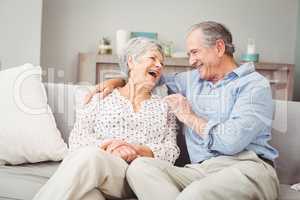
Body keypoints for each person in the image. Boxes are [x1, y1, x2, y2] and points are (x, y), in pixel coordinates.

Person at [87, 21, 280, 200]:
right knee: (140, 167)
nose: (191, 60)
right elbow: (148, 78)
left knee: (196, 194)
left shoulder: (254, 85)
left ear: (219, 48)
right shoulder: (191, 80)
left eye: (195, 52)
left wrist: (189, 116)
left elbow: (231, 142)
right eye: (189, 54)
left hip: (248, 167)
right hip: (201, 170)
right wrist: (116, 81)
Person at [33, 37, 179, 200]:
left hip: (140, 176)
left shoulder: (165, 107)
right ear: (131, 62)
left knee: (91, 157)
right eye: (153, 58)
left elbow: (171, 152)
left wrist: (135, 149)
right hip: (103, 171)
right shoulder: (101, 98)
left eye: (162, 63)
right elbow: (77, 141)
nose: (159, 66)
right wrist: (111, 147)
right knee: (88, 196)